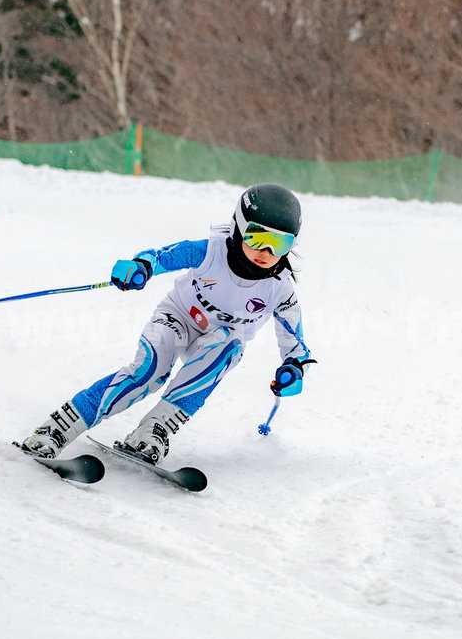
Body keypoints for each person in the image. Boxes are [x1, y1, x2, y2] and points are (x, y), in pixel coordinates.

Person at [17, 183, 315, 465]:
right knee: (150, 372)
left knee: (228, 347)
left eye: (280, 242)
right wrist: (141, 267)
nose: (267, 252)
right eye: (256, 237)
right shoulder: (211, 250)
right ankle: (56, 429)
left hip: (218, 340)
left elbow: (296, 343)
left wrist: (294, 368)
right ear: (237, 227)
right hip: (178, 319)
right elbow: (161, 257)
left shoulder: (280, 287)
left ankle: (152, 433)